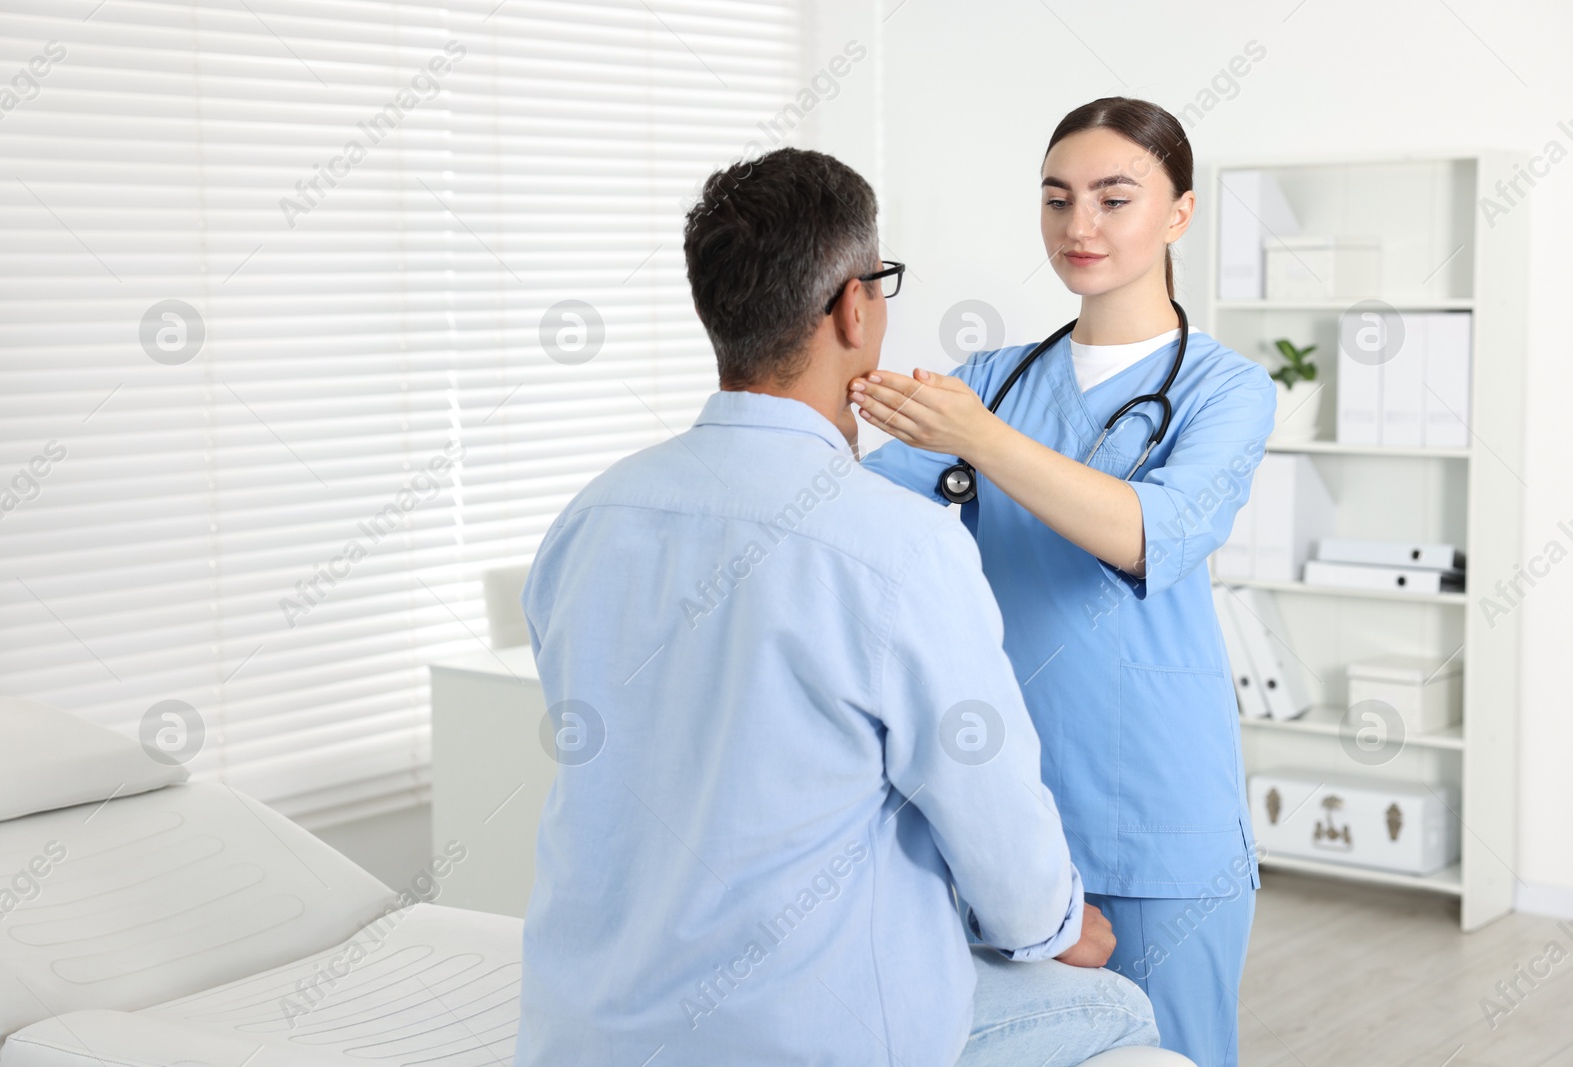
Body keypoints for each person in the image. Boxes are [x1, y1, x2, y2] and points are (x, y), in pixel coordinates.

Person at [516, 146, 1160, 1066]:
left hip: (585, 1031)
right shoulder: (899, 544)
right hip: (799, 1039)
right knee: (1119, 1004)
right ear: (855, 307)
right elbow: (993, 818)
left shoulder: (591, 515)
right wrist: (1057, 928)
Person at [850, 97, 1273, 1067]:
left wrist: (979, 443)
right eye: (1056, 199)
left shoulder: (1224, 388)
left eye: (1112, 198)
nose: (1077, 226)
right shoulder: (993, 379)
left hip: (1159, 810)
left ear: (1178, 213)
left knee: (1170, 1054)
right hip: (1003, 808)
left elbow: (1146, 536)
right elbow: (863, 522)